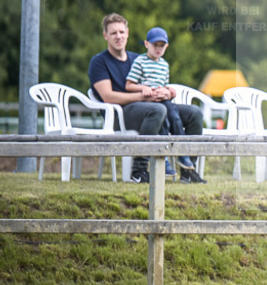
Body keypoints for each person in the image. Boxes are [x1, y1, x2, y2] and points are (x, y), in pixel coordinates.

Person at [88, 13, 207, 184]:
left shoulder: (139, 59)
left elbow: (158, 83)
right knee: (158, 109)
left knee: (194, 113)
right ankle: (139, 170)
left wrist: (169, 92)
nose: (119, 36)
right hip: (120, 114)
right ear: (105, 35)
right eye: (113, 33)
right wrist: (143, 96)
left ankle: (188, 169)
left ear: (127, 33)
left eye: (121, 32)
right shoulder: (99, 62)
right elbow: (108, 96)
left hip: (150, 107)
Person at [125, 26, 197, 175]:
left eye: (161, 46)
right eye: (155, 45)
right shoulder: (140, 62)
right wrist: (142, 88)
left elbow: (164, 85)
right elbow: (129, 85)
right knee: (164, 123)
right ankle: (162, 159)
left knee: (175, 119)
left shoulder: (164, 65)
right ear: (146, 44)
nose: (158, 49)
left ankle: (182, 155)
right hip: (148, 103)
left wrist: (167, 92)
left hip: (162, 100)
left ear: (166, 46)